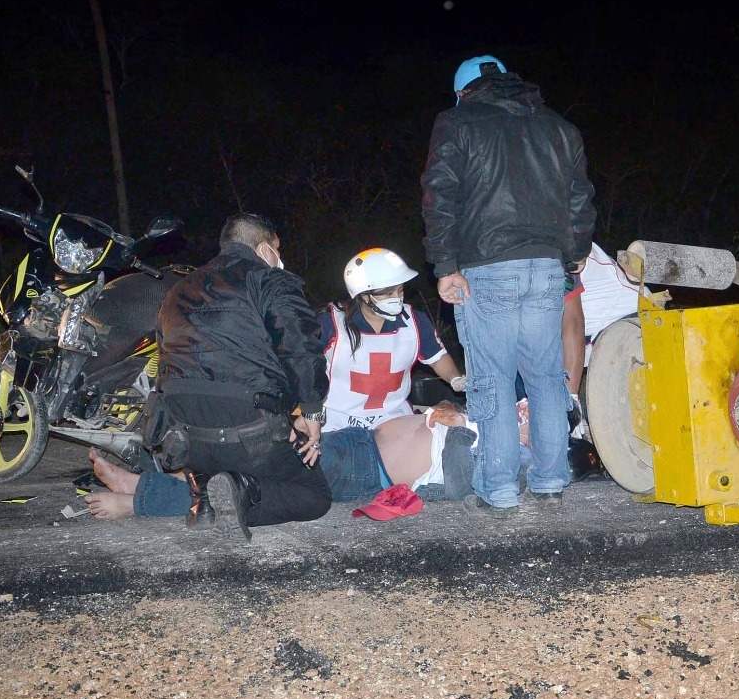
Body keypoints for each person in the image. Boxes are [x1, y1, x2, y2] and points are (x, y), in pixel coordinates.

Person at [420, 54, 596, 519]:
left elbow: (441, 194)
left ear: (464, 92)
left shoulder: (456, 122)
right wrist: (574, 253)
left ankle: (498, 486)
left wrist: (444, 264)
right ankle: (551, 477)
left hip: (486, 266)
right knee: (545, 374)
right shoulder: (559, 127)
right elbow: (580, 197)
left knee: (492, 378)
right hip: (546, 265)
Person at [150, 212, 331, 542]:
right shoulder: (270, 280)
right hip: (247, 432)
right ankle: (243, 490)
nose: (280, 258)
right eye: (277, 249)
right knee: (315, 495)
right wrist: (311, 410)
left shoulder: (176, 290)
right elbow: (300, 346)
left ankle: (203, 500)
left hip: (187, 439)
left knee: (215, 426)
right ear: (264, 249)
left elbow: (166, 361)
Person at [85, 402, 491, 517]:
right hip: (358, 441)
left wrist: (457, 428)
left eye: (526, 415)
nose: (522, 412)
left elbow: (460, 482)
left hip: (365, 468)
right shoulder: (498, 421)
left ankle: (138, 495)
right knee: (251, 459)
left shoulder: (514, 459)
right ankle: (144, 486)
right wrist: (449, 407)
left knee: (250, 484)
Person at [320, 248, 464, 431]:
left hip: (393, 416)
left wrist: (455, 378)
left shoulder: (414, 320)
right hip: (337, 420)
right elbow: (304, 367)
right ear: (364, 295)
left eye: (400, 290)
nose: (397, 298)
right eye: (388, 294)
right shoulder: (331, 322)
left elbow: (436, 357)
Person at [560, 241, 643, 437]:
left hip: (629, 323)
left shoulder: (560, 245)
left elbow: (573, 324)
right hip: (594, 334)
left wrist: (570, 399)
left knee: (614, 426)